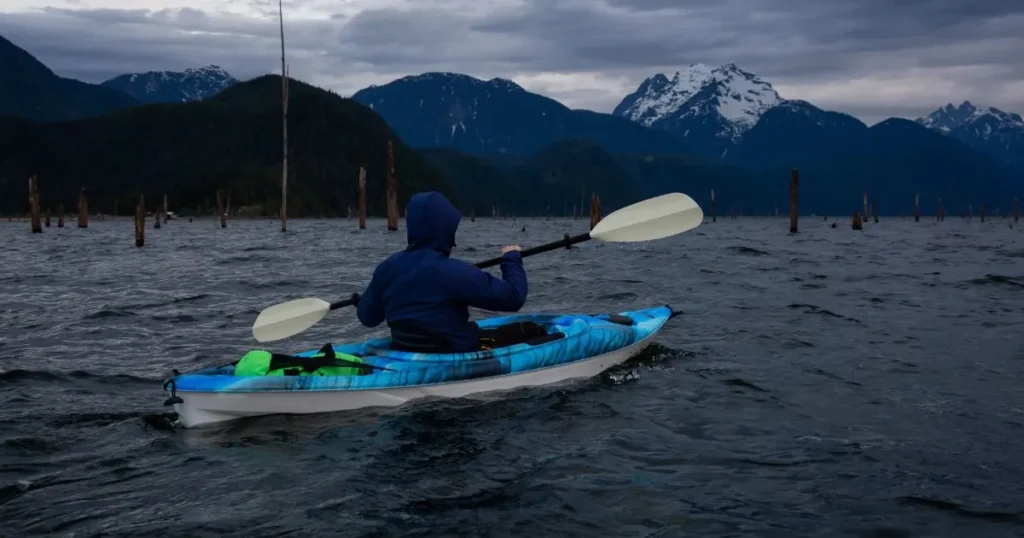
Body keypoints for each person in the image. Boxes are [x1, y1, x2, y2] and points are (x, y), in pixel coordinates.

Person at [356, 191, 547, 353]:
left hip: (407, 350)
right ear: (444, 229)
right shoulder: (453, 272)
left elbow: (367, 317)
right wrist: (511, 258)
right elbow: (514, 297)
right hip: (454, 352)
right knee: (531, 330)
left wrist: (365, 298)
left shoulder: (387, 268)